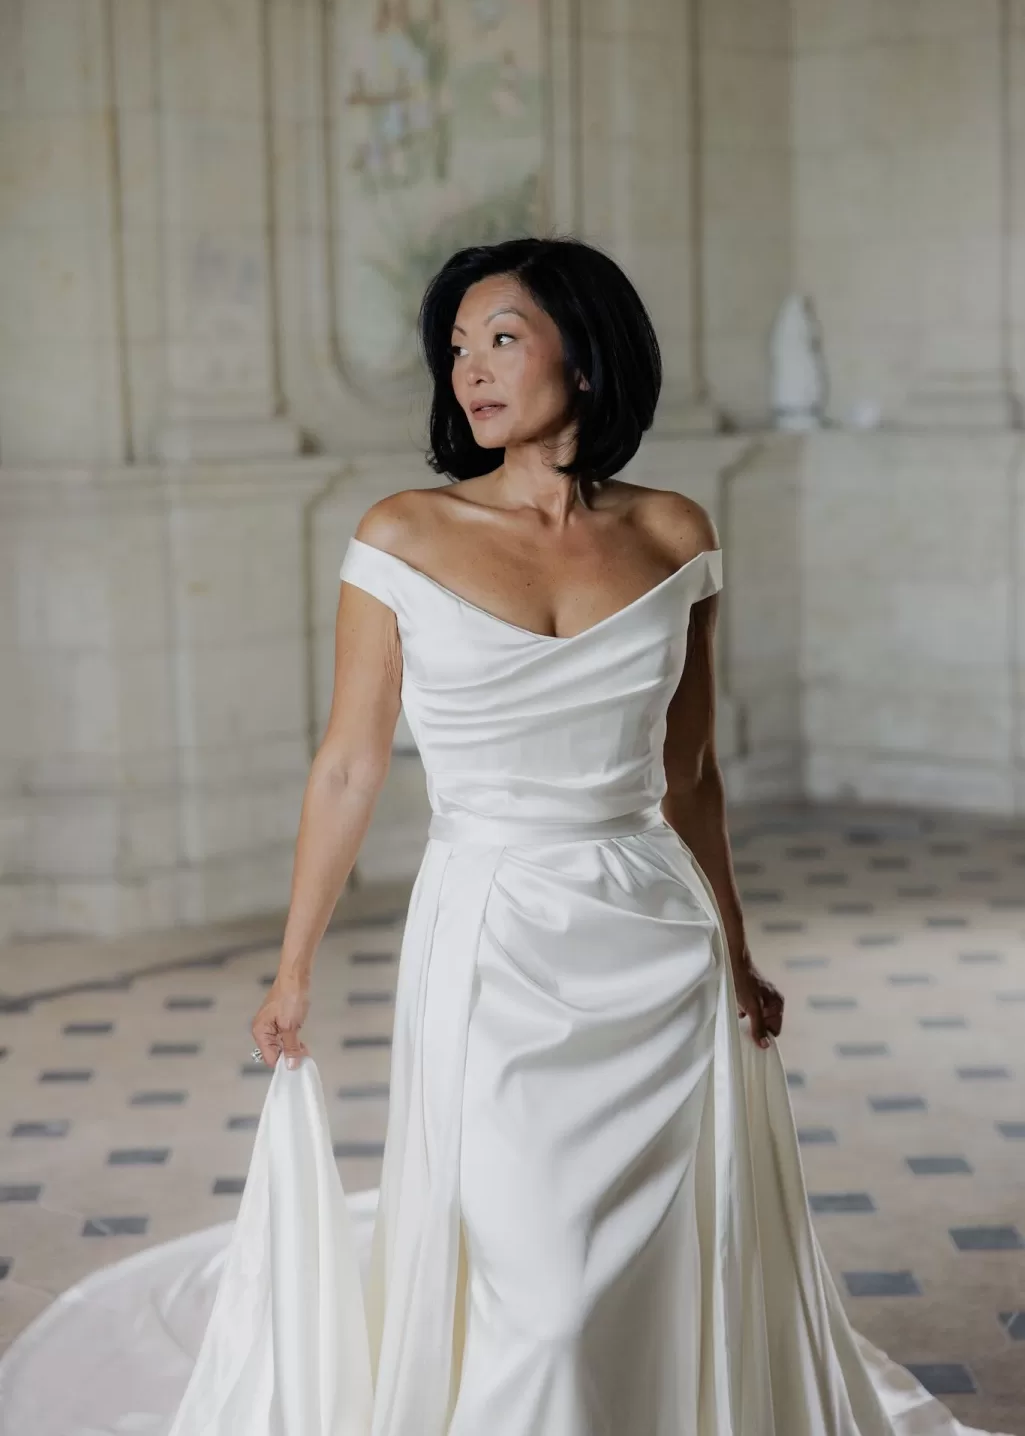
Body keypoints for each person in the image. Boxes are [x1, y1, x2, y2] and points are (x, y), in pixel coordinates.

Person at [0, 238, 1010, 1436]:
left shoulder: (675, 534)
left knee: (649, 1261)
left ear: (582, 355)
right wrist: (292, 964)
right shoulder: (401, 533)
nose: (469, 370)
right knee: (539, 1278)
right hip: (492, 936)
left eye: (500, 339)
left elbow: (689, 772)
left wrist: (735, 950)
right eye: (455, 348)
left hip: (655, 938)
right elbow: (348, 763)